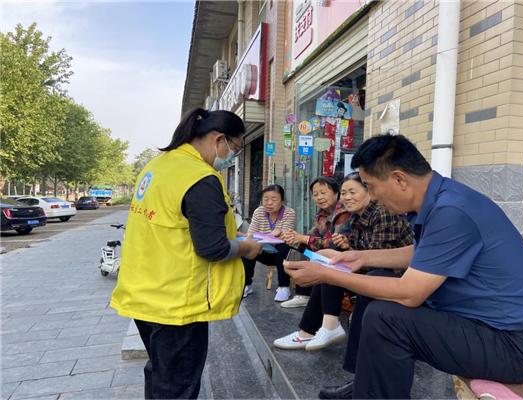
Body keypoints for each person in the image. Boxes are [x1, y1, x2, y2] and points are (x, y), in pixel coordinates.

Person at [284, 134, 523, 399]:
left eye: (371, 186)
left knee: (386, 318)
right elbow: (421, 253)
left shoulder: (451, 211)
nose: (373, 196)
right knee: (376, 283)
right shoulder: (441, 200)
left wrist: (328, 274)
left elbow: (410, 293)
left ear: (399, 179)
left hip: (513, 346)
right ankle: (365, 384)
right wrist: (360, 258)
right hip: (481, 326)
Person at [110, 107, 263, 399]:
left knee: (159, 374)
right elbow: (213, 248)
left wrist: (232, 234)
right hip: (177, 302)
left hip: (145, 293)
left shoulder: (158, 166)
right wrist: (248, 246)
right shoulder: (200, 178)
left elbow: (176, 225)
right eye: (236, 148)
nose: (233, 156)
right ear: (219, 139)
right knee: (178, 386)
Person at [273, 172, 412, 351]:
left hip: (395, 276)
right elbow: (358, 251)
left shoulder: (383, 212)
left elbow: (380, 258)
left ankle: (323, 326)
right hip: (370, 269)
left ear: (369, 191)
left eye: (352, 192)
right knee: (326, 260)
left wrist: (341, 251)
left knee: (332, 263)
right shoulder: (351, 216)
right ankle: (310, 330)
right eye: (344, 193)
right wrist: (346, 246)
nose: (347, 197)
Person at [279, 176, 351, 308]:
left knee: (303, 245)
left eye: (323, 193)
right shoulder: (322, 213)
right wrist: (294, 237)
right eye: (315, 194)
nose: (319, 197)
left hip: (341, 256)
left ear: (336, 193)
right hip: (324, 254)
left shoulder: (343, 213)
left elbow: (335, 244)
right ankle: (303, 294)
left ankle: (307, 294)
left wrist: (304, 239)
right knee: (299, 247)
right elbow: (313, 235)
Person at [242, 184, 297, 301]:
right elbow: (251, 234)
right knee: (247, 247)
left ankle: (284, 287)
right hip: (263, 251)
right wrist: (271, 236)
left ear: (282, 200)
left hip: (283, 254)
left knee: (283, 246)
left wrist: (265, 237)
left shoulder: (289, 213)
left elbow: (286, 237)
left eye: (274, 199)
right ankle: (246, 285)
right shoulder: (259, 212)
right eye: (265, 199)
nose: (269, 203)